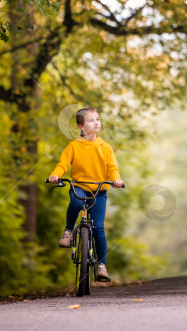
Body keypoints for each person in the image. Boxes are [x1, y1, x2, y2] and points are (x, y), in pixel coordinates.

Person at [48, 107, 123, 282]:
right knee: (75, 203)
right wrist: (56, 175)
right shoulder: (74, 146)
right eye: (91, 120)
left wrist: (116, 179)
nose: (96, 122)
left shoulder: (104, 147)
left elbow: (112, 168)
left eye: (98, 119)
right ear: (81, 126)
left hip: (99, 190)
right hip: (79, 186)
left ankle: (102, 265)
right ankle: (68, 231)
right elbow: (63, 164)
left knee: (98, 226)